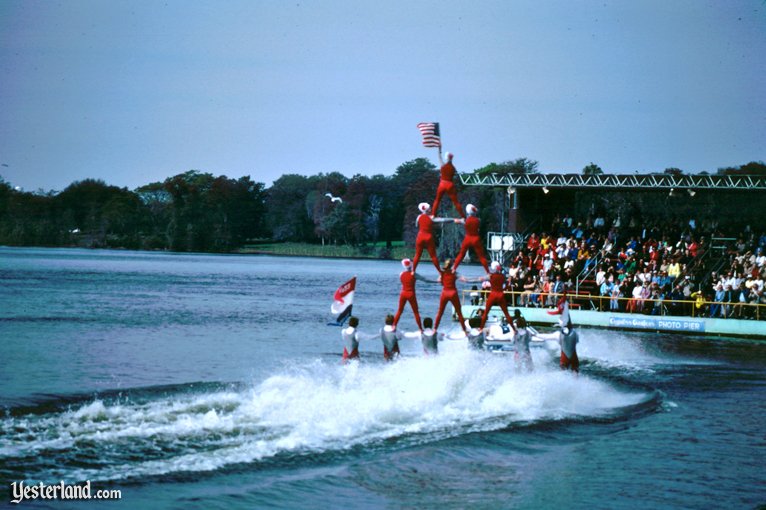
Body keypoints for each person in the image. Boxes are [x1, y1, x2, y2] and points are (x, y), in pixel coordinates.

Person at [419, 259, 469, 335]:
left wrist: (442, 281)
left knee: (440, 312)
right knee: (459, 313)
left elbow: (439, 280)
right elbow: (463, 279)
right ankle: (464, 330)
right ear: (452, 265)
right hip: (453, 293)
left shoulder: (442, 273)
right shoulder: (454, 273)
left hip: (445, 293)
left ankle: (435, 329)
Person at [412, 202, 456, 272]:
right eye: (429, 208)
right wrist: (453, 219)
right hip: (428, 237)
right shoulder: (431, 218)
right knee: (433, 256)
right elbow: (443, 220)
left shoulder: (419, 217)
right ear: (426, 210)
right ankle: (440, 272)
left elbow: (417, 225)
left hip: (420, 236)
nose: (431, 209)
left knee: (417, 255)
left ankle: (413, 271)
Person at [477, 261, 516, 330]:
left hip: (493, 294)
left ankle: (480, 329)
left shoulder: (491, 276)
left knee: (486, 312)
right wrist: (504, 289)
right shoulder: (502, 276)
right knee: (506, 314)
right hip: (500, 295)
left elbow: (482, 280)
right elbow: (506, 284)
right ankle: (514, 329)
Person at [453, 204, 490, 272]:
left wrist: (457, 220)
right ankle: (488, 271)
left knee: (461, 254)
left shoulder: (466, 220)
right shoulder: (477, 220)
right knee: (481, 257)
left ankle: (453, 268)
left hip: (468, 238)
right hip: (476, 238)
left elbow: (458, 221)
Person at [431, 151, 464, 218]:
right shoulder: (453, 168)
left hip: (442, 183)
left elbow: (439, 158)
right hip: (450, 184)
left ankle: (433, 215)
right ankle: (463, 216)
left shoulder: (443, 165)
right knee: (456, 202)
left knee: (437, 200)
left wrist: (439, 151)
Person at [393, 258, 423, 330]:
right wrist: (437, 281)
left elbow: (403, 282)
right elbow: (425, 280)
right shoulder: (414, 274)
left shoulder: (401, 274)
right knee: (416, 312)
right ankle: (420, 329)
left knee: (399, 311)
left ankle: (394, 326)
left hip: (403, 293)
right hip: (411, 294)